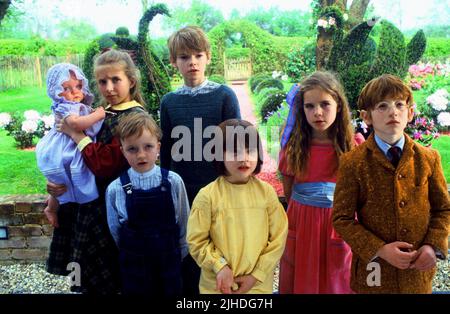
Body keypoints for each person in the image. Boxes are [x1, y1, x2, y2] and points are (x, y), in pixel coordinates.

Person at [332, 74, 450, 293]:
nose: (393, 112)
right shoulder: (353, 163)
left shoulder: (428, 159)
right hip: (374, 272)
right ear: (367, 117)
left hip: (416, 271)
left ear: (410, 113)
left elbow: (443, 208)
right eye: (382, 106)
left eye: (399, 105)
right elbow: (342, 218)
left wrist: (432, 246)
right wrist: (380, 249)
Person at [46, 49, 146, 294]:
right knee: (88, 276)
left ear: (131, 81)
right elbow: (65, 153)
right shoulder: (100, 113)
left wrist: (76, 134)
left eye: (116, 80)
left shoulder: (134, 117)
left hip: (113, 206)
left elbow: (106, 164)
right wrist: (58, 184)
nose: (109, 88)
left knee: (111, 275)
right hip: (87, 203)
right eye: (102, 81)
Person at [160, 25, 241, 294]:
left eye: (197, 55)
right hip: (182, 189)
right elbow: (168, 149)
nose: (191, 62)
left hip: (216, 187)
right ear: (174, 62)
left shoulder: (223, 96)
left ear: (207, 56)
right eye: (184, 57)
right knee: (188, 246)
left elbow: (235, 144)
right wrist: (165, 186)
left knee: (220, 247)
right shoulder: (169, 102)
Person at [278, 71, 365, 294]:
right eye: (309, 106)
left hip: (339, 225)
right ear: (301, 109)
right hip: (302, 223)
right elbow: (289, 193)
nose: (317, 112)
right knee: (302, 279)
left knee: (338, 279)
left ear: (338, 104)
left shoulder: (354, 145)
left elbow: (360, 193)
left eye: (325, 104)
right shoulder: (293, 147)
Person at [187, 119, 288, 294]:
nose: (244, 158)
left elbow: (279, 237)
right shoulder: (207, 196)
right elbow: (197, 241)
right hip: (217, 286)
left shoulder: (267, 194)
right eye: (235, 151)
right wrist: (219, 266)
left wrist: (257, 274)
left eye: (250, 151)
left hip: (257, 286)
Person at [106, 111, 190, 295]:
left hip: (169, 261)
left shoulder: (174, 182)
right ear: (122, 151)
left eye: (148, 147)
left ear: (158, 148)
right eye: (132, 149)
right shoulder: (115, 189)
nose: (141, 155)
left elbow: (184, 220)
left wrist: (181, 251)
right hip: (134, 266)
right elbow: (115, 229)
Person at [36, 63, 105, 228]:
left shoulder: (77, 105)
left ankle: (52, 208)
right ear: (55, 91)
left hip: (69, 147)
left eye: (78, 86)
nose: (75, 91)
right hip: (63, 149)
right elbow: (75, 124)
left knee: (63, 182)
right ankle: (51, 209)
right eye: (67, 88)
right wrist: (98, 115)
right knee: (61, 182)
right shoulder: (66, 106)